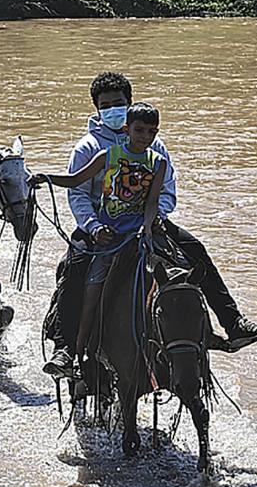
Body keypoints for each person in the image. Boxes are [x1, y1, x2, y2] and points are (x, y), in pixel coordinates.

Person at [41, 72, 257, 377]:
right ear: (97, 109)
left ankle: (233, 323)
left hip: (149, 223)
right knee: (73, 270)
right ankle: (66, 349)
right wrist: (94, 227)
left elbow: (166, 189)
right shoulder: (88, 147)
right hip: (103, 227)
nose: (113, 108)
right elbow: (78, 193)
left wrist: (158, 218)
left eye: (119, 103)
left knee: (195, 250)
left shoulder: (154, 144)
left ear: (130, 104)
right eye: (106, 104)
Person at [30, 102, 169, 365]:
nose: (145, 137)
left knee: (179, 275)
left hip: (139, 235)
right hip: (110, 237)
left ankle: (205, 338)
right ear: (127, 129)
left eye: (152, 132)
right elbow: (75, 180)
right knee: (92, 293)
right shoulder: (108, 155)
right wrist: (45, 177)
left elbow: (152, 202)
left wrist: (148, 226)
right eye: (140, 131)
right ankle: (76, 353)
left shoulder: (158, 162)